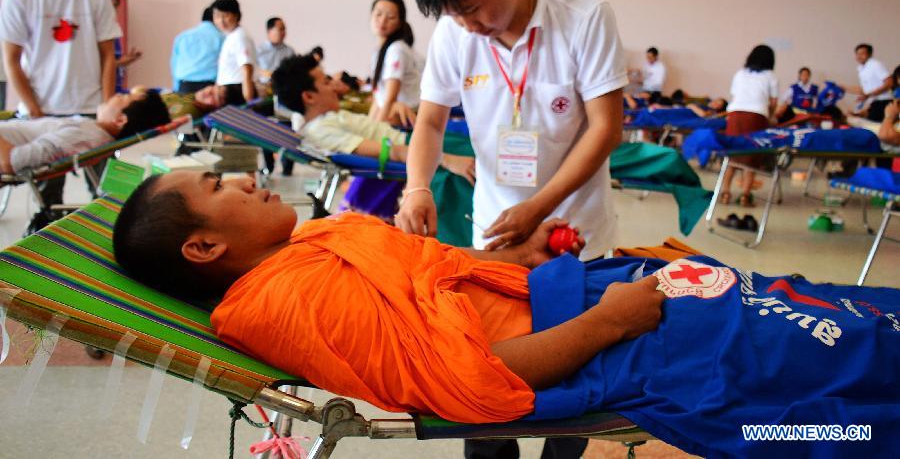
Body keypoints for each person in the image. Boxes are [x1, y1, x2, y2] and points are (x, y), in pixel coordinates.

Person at [112, 171, 900, 458]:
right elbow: (462, 384)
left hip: (584, 297)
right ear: (205, 249)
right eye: (220, 187)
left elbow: (439, 283)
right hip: (612, 345)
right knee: (813, 389)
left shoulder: (314, 240)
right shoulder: (290, 299)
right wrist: (612, 323)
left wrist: (519, 270)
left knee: (806, 306)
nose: (246, 181)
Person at [396, 0, 626, 263]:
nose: (468, 27)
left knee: (580, 313)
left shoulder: (585, 17)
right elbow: (430, 123)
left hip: (576, 230)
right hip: (496, 229)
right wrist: (417, 188)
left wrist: (537, 208)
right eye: (454, 16)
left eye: (472, 10)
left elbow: (605, 128)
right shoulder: (453, 33)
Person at [0, 0, 124, 210]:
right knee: (48, 197)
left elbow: (108, 55)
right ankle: (47, 234)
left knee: (109, 194)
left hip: (89, 110)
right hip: (42, 116)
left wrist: (106, 108)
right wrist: (34, 109)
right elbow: (13, 61)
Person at [272, 55, 475, 221]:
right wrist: (446, 159)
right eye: (326, 82)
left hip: (413, 139)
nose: (334, 85)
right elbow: (390, 151)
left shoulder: (326, 119)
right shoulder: (321, 130)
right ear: (308, 97)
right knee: (478, 157)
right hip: (417, 147)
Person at [0, 90, 170, 174]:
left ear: (120, 120)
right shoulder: (92, 130)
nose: (117, 94)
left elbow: (13, 161)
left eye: (123, 97)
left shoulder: (82, 137)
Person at [719, 44, 778, 208]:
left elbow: (734, 95)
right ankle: (745, 195)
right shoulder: (770, 75)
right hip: (756, 116)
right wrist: (771, 118)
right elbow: (773, 102)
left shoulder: (740, 73)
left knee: (732, 155)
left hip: (735, 115)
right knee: (750, 157)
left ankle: (725, 192)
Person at [367, 0, 424, 127]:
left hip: (407, 112)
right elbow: (379, 98)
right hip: (392, 107)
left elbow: (390, 98)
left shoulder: (396, 49)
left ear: (400, 23)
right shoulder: (378, 52)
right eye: (378, 14)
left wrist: (376, 130)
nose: (382, 21)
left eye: (391, 17)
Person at [170, 5, 225, 93]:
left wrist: (176, 88)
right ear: (215, 18)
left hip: (184, 85)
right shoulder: (221, 38)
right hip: (209, 88)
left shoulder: (182, 37)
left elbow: (174, 64)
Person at [212, 0, 257, 104]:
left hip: (237, 92)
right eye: (217, 16)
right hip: (228, 91)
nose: (221, 21)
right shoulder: (230, 36)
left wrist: (249, 102)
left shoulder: (240, 37)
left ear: (236, 15)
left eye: (225, 15)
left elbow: (247, 69)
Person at [105, 0, 143, 93]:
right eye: (108, 6)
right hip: (102, 92)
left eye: (115, 6)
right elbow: (95, 67)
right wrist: (120, 62)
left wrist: (125, 60)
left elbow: (113, 62)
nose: (112, 10)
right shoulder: (94, 33)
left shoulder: (114, 31)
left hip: (116, 89)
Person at [842, 44, 892, 122]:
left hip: (883, 102)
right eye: (857, 54)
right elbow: (864, 90)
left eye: (862, 53)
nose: (859, 56)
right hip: (873, 103)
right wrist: (844, 88)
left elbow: (889, 82)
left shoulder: (875, 64)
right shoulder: (861, 68)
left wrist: (868, 95)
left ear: (869, 54)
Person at [255, 17, 296, 84]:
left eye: (284, 29)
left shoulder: (290, 52)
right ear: (269, 31)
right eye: (280, 29)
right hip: (264, 89)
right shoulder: (258, 51)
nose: (284, 32)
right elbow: (254, 72)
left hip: (284, 88)